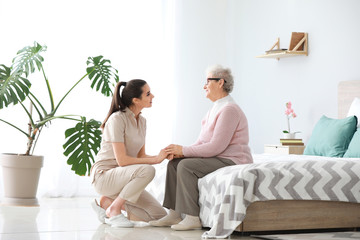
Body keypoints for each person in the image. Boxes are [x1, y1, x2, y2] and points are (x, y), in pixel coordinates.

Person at [149, 65, 253, 231]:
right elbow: (201, 143)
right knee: (175, 164)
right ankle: (174, 214)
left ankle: (192, 217)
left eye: (207, 81)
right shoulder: (215, 108)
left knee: (186, 166)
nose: (204, 86)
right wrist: (179, 152)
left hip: (232, 160)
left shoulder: (229, 110)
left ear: (220, 82)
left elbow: (215, 147)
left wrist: (183, 151)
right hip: (218, 157)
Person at [90, 79, 167, 228]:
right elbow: (122, 161)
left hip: (124, 178)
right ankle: (115, 208)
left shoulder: (142, 121)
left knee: (159, 217)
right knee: (148, 170)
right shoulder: (117, 119)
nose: (153, 96)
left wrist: (163, 155)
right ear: (136, 100)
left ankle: (106, 203)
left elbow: (140, 156)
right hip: (105, 176)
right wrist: (156, 160)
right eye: (148, 94)